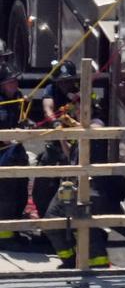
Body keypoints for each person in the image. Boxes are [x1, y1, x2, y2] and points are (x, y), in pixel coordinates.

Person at [44, 119, 125, 270]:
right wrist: (62, 136)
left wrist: (75, 127)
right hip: (70, 186)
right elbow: (71, 154)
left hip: (90, 187)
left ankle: (99, 265)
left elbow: (96, 129)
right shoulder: (79, 136)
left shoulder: (95, 134)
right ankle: (70, 260)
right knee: (51, 222)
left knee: (85, 228)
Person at [34, 61, 80, 219]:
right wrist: (56, 123)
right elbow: (48, 109)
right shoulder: (50, 89)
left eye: (68, 80)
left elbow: (88, 110)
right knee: (42, 185)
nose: (66, 84)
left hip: (75, 148)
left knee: (73, 187)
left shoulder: (79, 91)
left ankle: (70, 224)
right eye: (62, 81)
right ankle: (45, 222)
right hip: (55, 145)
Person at [0, 65, 29, 235]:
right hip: (3, 154)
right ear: (2, 85)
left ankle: (16, 229)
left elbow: (20, 119)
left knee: (20, 191)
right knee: (6, 195)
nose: (15, 85)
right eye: (11, 82)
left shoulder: (17, 97)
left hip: (15, 150)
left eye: (16, 81)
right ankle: (5, 235)